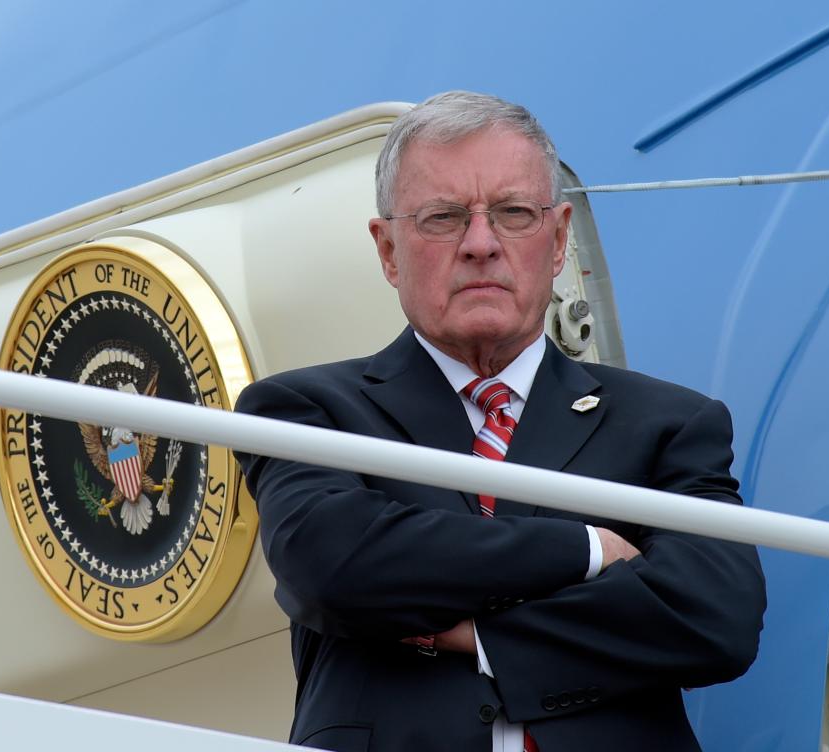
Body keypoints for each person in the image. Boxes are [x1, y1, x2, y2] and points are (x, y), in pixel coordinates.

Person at [234, 90, 766, 752]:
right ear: (389, 249)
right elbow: (335, 566)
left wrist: (480, 637)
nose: (481, 244)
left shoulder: (669, 423)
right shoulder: (305, 411)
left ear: (559, 239)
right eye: (443, 217)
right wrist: (590, 552)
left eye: (513, 213)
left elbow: (717, 615)